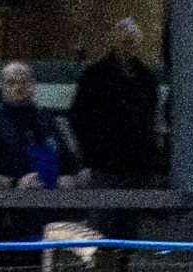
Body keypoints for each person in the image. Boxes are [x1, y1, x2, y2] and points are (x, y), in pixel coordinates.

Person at [70, 18, 164, 189]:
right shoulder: (95, 76)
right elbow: (79, 117)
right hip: (104, 162)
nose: (130, 48)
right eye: (126, 42)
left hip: (138, 165)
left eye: (134, 43)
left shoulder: (147, 79)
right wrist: (92, 151)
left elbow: (150, 119)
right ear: (114, 42)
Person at [0, 62, 79, 191]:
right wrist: (16, 183)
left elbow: (69, 166)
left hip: (53, 199)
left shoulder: (49, 121)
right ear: (1, 88)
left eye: (24, 82)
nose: (18, 88)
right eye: (11, 83)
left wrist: (67, 180)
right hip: (7, 202)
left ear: (33, 86)